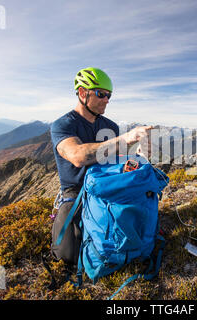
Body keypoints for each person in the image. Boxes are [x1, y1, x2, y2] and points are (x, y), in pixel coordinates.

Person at [49, 67, 152, 272]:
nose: (107, 100)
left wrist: (139, 158)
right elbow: (78, 156)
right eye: (101, 94)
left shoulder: (110, 126)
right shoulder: (62, 125)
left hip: (108, 186)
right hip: (76, 191)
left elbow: (114, 162)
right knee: (67, 255)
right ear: (82, 93)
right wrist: (125, 138)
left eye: (109, 95)